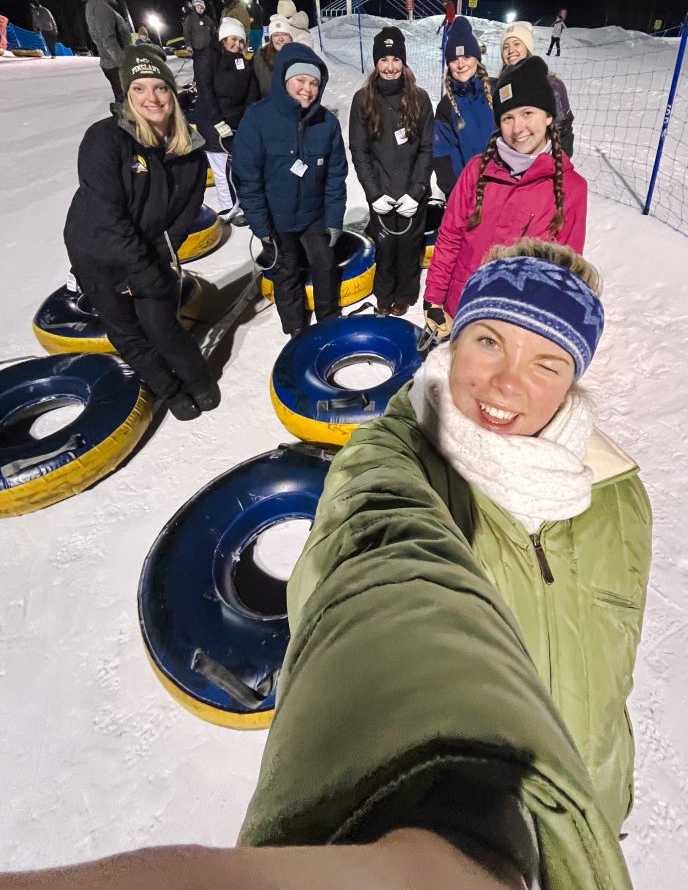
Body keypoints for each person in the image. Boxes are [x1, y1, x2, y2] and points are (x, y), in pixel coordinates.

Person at [0, 257, 638, 890]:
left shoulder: (615, 495)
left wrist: (604, 800)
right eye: (489, 342)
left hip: (595, 810)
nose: (504, 384)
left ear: (574, 380)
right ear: (455, 336)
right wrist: (459, 825)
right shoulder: (394, 459)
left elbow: (609, 676)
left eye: (546, 362)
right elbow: (379, 551)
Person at [63, 45, 217, 421]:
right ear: (126, 94)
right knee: (129, 333)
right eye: (139, 88)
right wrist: (143, 272)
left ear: (172, 93)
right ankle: (170, 390)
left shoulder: (189, 151)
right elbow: (106, 217)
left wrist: (161, 258)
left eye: (160, 88)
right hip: (97, 253)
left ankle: (198, 382)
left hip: (149, 252)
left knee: (162, 325)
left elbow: (185, 212)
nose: (152, 98)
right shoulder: (105, 140)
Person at [423, 55, 587, 337]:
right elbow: (450, 236)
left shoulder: (570, 188)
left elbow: (565, 274)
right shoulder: (477, 170)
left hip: (519, 322)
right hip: (463, 305)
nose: (518, 128)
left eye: (528, 114)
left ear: (548, 116)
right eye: (508, 117)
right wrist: (434, 297)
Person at [232, 44, 348, 336]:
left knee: (324, 263)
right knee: (287, 270)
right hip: (276, 217)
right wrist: (260, 225)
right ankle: (295, 327)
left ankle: (328, 318)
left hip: (313, 215)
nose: (306, 89)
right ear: (284, 79)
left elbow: (336, 176)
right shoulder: (258, 118)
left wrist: (333, 219)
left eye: (313, 83)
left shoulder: (327, 124)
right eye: (300, 81)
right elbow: (247, 178)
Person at [349, 26, 434, 315]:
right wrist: (373, 194)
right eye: (383, 60)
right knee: (385, 248)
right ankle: (383, 293)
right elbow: (359, 151)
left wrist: (417, 191)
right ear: (376, 63)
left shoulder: (419, 99)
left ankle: (405, 294)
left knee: (409, 249)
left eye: (395, 59)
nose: (390, 67)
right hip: (382, 191)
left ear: (404, 61)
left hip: (412, 192)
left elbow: (426, 149)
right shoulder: (363, 100)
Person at [192, 16, 258, 225]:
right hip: (213, 123)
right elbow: (206, 92)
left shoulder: (241, 61)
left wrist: (247, 120)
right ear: (222, 38)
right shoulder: (207, 57)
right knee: (221, 168)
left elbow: (250, 91)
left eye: (240, 41)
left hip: (237, 122)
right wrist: (218, 122)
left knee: (241, 167)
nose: (237, 45)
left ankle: (247, 204)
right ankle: (230, 206)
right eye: (233, 39)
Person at [432, 15, 495, 198]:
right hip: (465, 197)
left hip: (502, 192)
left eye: (467, 56)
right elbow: (443, 156)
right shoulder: (446, 107)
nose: (461, 64)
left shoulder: (496, 91)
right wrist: (459, 196)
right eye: (454, 59)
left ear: (477, 57)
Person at [501, 21, 575, 157]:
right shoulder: (501, 87)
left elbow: (563, 131)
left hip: (542, 163)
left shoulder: (552, 86)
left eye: (517, 44)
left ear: (527, 48)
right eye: (506, 46)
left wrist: (558, 167)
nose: (511, 50)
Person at [77, 0, 132, 102]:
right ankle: (127, 120)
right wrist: (124, 64)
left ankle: (127, 117)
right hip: (115, 64)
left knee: (125, 98)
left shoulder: (98, 5)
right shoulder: (100, 7)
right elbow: (108, 40)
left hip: (113, 63)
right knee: (126, 100)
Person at [253, 12, 300, 98]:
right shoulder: (261, 57)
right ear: (271, 38)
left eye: (285, 34)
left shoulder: (299, 56)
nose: (280, 39)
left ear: (291, 37)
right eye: (276, 35)